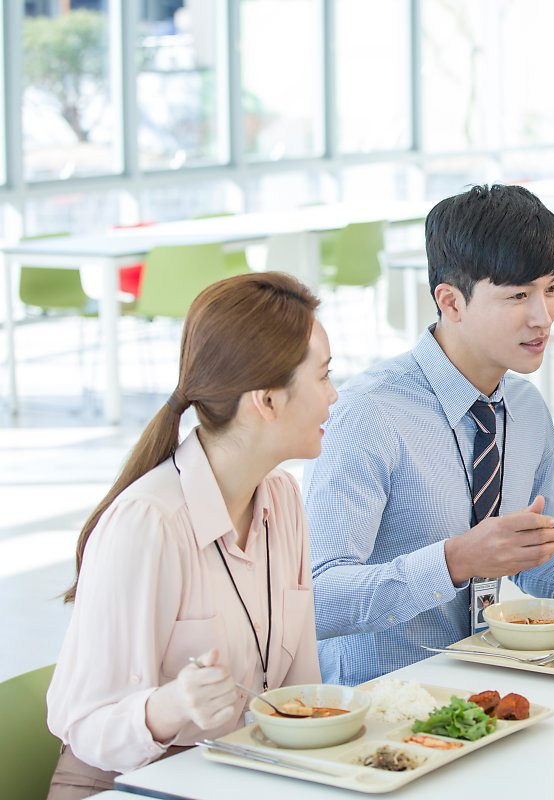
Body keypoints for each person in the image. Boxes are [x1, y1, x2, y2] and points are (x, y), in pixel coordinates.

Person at [305, 184, 554, 685]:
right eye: (517, 296)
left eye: (551, 288)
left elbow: (532, 559)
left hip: (489, 691)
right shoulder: (369, 414)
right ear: (450, 302)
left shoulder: (526, 408)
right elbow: (315, 598)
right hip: (379, 704)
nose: (544, 317)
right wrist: (454, 561)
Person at [46, 272, 337, 798]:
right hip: (128, 784)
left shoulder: (284, 501)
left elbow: (299, 692)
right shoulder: (149, 523)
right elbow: (86, 726)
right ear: (266, 401)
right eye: (323, 377)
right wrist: (172, 707)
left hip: (237, 774)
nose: (334, 397)